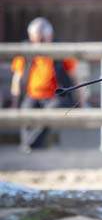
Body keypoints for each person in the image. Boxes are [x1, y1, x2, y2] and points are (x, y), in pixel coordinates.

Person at [10, 17, 80, 152]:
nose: (40, 42)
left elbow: (74, 77)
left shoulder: (60, 50)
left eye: (43, 38)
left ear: (50, 36)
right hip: (32, 95)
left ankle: (29, 145)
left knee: (50, 112)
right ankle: (31, 145)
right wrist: (14, 102)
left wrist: (81, 101)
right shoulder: (25, 51)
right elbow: (17, 79)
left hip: (56, 96)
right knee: (26, 110)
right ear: (31, 37)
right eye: (37, 39)